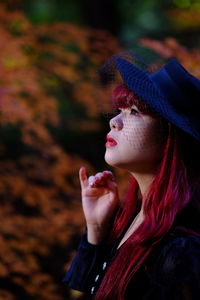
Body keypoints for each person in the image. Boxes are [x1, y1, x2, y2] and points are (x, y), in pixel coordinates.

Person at [63, 54, 200, 300]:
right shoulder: (133, 219)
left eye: (134, 112)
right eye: (120, 110)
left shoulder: (183, 249)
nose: (114, 122)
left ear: (170, 137)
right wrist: (96, 231)